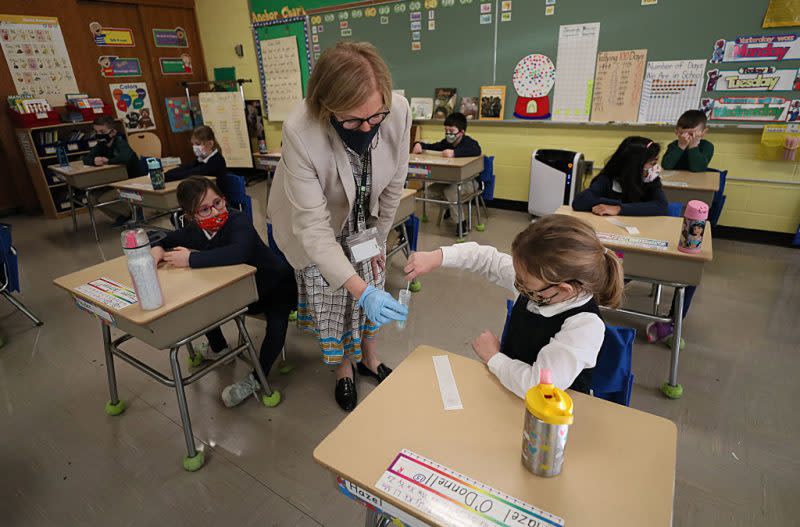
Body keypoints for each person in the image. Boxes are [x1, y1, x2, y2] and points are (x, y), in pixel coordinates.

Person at [267, 41, 410, 411]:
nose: (366, 127)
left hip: (364, 222)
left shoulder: (397, 111)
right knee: (334, 297)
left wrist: (378, 243)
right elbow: (313, 229)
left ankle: (369, 357)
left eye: (374, 117)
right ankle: (342, 367)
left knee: (373, 281)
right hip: (318, 224)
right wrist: (360, 290)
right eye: (351, 119)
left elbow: (394, 185)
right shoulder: (301, 130)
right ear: (325, 107)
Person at [404, 214, 624, 397]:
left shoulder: (584, 326)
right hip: (508, 388)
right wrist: (439, 256)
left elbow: (539, 388)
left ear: (564, 289)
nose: (518, 283)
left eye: (524, 282)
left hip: (548, 414)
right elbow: (487, 259)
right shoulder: (541, 284)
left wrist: (494, 357)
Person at [151, 177, 297, 407]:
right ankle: (219, 348)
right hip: (239, 293)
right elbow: (162, 237)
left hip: (275, 285)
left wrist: (191, 258)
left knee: (277, 326)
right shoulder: (194, 231)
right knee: (204, 302)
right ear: (190, 216)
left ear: (224, 199)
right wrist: (157, 249)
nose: (215, 212)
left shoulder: (238, 220)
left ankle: (258, 378)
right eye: (205, 209)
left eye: (218, 203)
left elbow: (238, 252)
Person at [412, 112, 482, 234]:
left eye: (451, 131)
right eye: (446, 130)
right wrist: (420, 145)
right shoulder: (446, 142)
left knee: (451, 192)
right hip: (451, 181)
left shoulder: (469, 142)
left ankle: (461, 224)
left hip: (471, 182)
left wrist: (455, 153)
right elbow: (435, 146)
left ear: (461, 132)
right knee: (429, 192)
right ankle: (451, 207)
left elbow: (476, 150)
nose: (448, 134)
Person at [572, 136, 668, 216]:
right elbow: (580, 202)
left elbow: (661, 206)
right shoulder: (608, 179)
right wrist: (615, 205)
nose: (656, 168)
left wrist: (619, 208)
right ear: (634, 166)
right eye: (652, 163)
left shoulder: (651, 180)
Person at [81, 115, 144, 227]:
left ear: (113, 132)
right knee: (91, 197)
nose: (99, 135)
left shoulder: (120, 142)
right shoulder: (101, 145)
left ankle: (135, 214)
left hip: (131, 182)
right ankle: (121, 217)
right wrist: (94, 160)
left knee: (103, 198)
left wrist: (108, 161)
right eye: (96, 132)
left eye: (102, 131)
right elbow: (85, 158)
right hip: (114, 182)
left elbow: (125, 157)